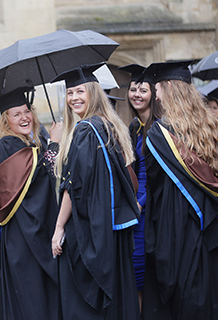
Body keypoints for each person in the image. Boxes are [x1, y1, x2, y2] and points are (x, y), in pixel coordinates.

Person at [51, 63, 141, 320]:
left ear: (93, 92)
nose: (74, 98)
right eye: (70, 93)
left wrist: (58, 228)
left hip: (91, 227)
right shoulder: (110, 126)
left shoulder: (84, 131)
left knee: (83, 299)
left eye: (80, 91)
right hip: (114, 226)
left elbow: (73, 186)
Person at [140, 60, 218, 320]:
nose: (156, 94)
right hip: (210, 225)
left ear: (168, 90)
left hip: (177, 229)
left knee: (184, 298)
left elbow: (155, 184)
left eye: (158, 88)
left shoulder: (159, 135)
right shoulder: (210, 126)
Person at [0, 86, 60, 320]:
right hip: (22, 235)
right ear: (5, 121)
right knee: (31, 296)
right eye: (17, 114)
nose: (24, 117)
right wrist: (53, 145)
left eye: (27, 111)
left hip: (25, 233)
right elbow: (32, 179)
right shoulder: (8, 144)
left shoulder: (25, 143)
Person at [118, 63, 161, 310]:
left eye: (143, 90)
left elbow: (152, 176)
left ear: (153, 94)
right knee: (135, 272)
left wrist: (139, 203)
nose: (136, 94)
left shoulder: (159, 127)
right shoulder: (135, 128)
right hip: (136, 206)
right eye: (133, 89)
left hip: (148, 207)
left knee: (143, 269)